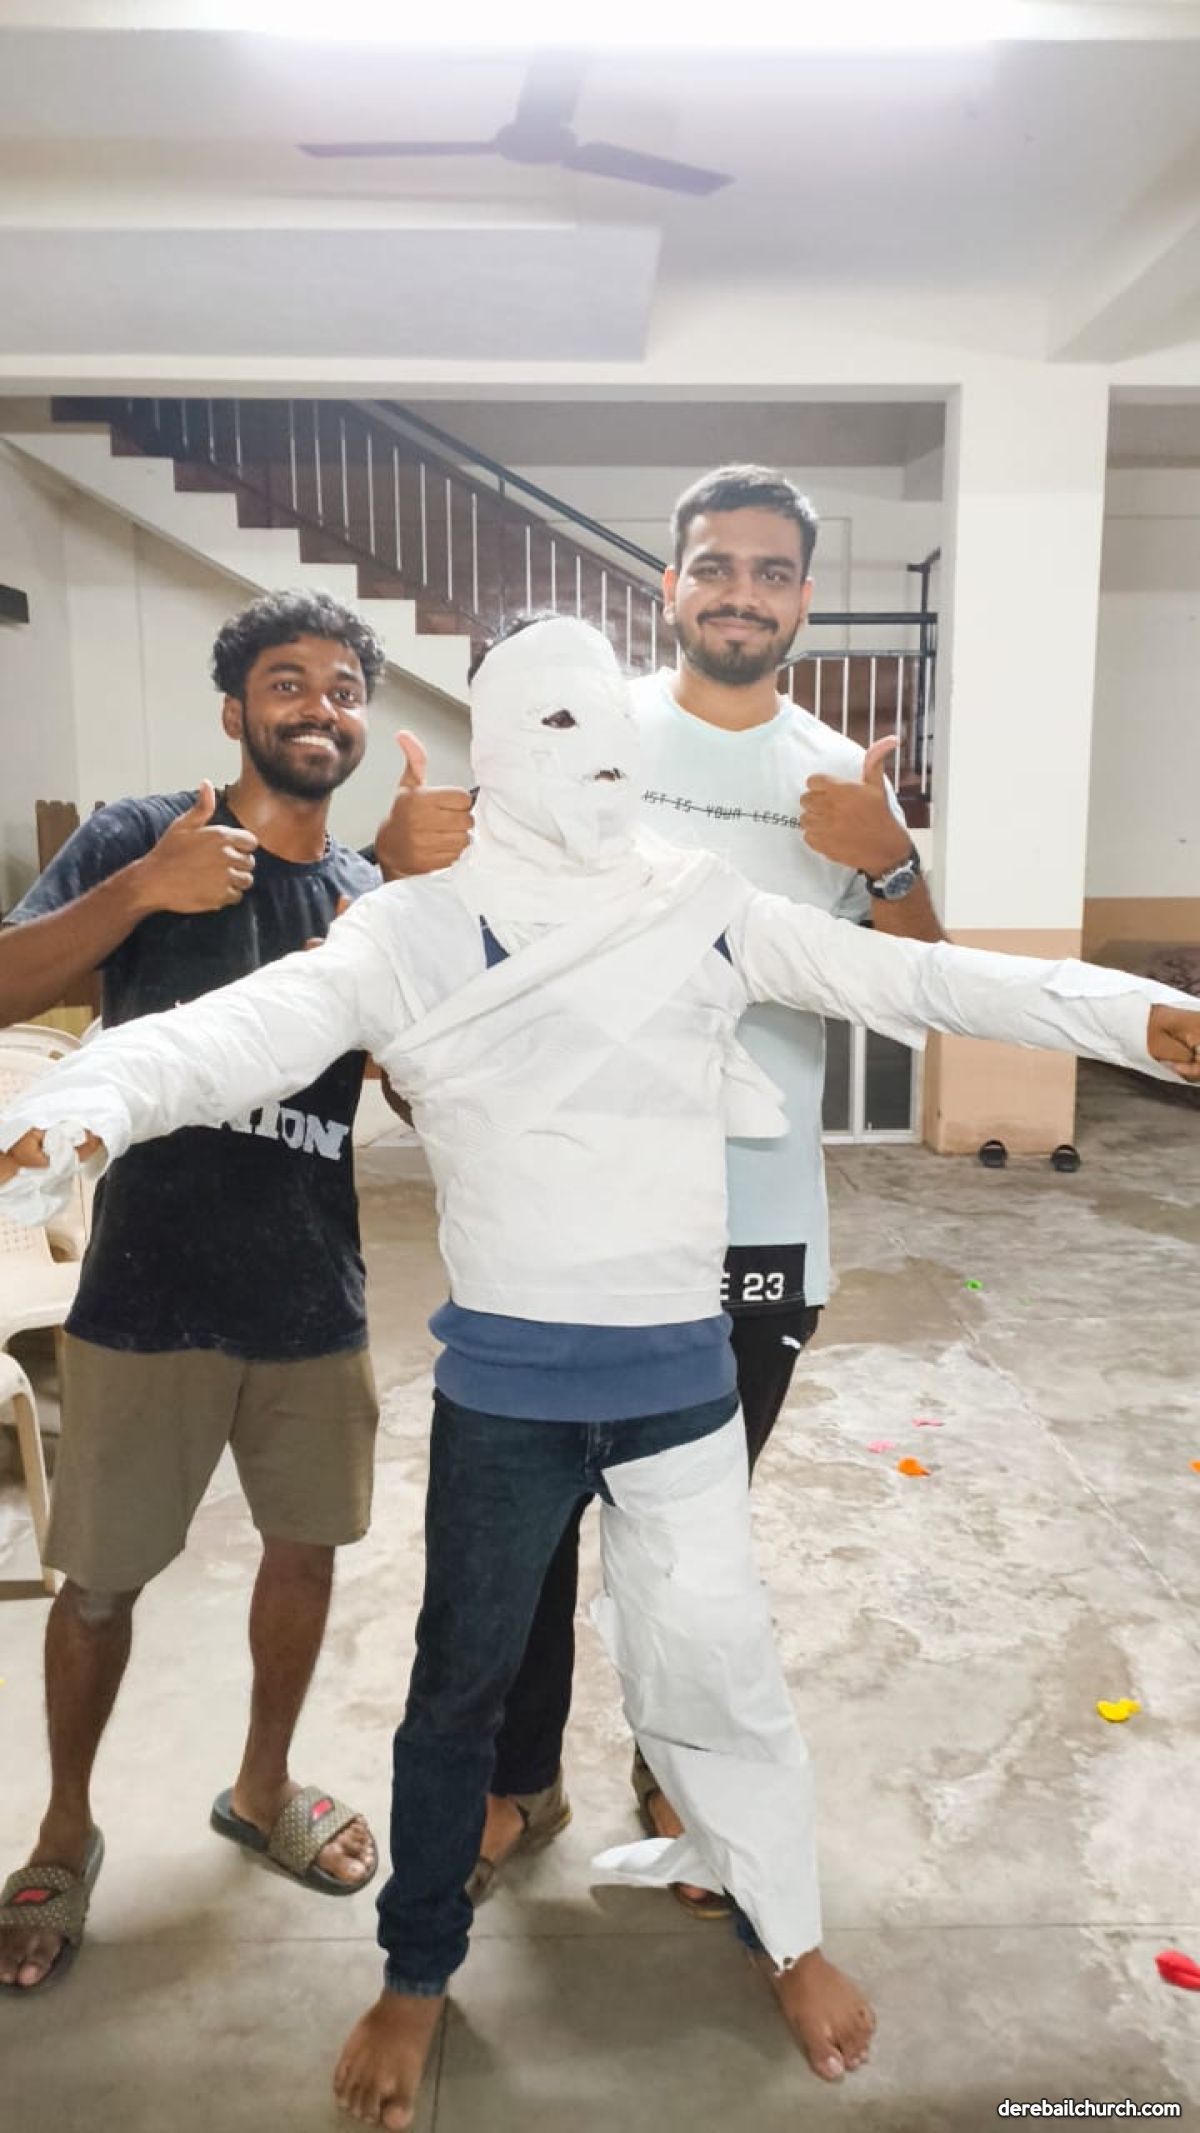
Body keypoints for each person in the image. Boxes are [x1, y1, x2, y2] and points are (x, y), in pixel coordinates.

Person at [2, 617, 1197, 2129]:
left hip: (679, 1388)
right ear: (502, 747)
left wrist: (1134, 1019)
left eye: (615, 734)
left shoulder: (699, 903)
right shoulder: (411, 928)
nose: (604, 759)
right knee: (455, 1696)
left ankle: (787, 1932)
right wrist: (88, 1104)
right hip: (505, 1403)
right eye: (563, 729)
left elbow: (921, 980)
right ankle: (417, 1972)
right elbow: (232, 1032)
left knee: (724, 1678)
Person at [374, 466, 944, 1908]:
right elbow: (455, 932)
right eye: (715, 565)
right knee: (529, 1537)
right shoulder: (586, 729)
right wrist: (395, 870)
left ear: (802, 599)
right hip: (566, 1223)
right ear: (672, 585)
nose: (742, 592)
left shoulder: (839, 774)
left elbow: (921, 998)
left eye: (771, 570)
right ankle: (518, 1777)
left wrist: (890, 866)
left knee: (689, 1546)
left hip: (758, 1231)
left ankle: (676, 1775)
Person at [0, 589, 389, 1997]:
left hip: (312, 1290)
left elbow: (426, 1079)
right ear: (235, 710)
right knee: (100, 1584)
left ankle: (262, 1785)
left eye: (342, 687)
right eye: (286, 682)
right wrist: (139, 893)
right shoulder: (140, 835)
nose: (317, 706)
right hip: (144, 1292)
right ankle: (63, 1827)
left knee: (306, 1552)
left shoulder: (369, 895)